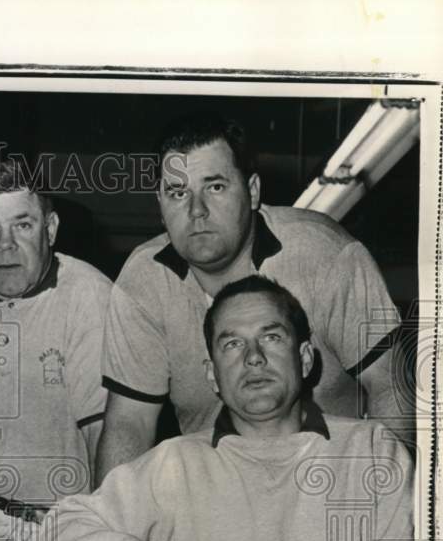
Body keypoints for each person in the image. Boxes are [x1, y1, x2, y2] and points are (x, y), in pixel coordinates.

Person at [39, 276, 413, 541]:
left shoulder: (371, 451)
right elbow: (55, 536)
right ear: (212, 375)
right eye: (232, 344)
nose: (253, 358)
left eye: (271, 337)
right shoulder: (176, 464)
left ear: (305, 358)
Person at [96, 115, 408, 480]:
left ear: (253, 191)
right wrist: (109, 513)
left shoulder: (325, 255)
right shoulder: (143, 281)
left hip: (330, 479)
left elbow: (391, 386)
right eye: (178, 193)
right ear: (160, 205)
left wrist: (384, 492)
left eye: (215, 187)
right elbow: (129, 424)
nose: (196, 210)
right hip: (220, 492)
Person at [0, 159, 113, 541]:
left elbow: (107, 437)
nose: (5, 245)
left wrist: (100, 538)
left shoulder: (91, 296)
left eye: (22, 225)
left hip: (59, 531)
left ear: (50, 229)